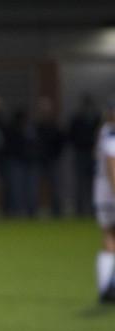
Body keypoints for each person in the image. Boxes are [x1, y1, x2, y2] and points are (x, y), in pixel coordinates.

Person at [93, 97, 115, 304]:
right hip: (111, 192)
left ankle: (105, 286)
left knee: (109, 236)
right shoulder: (112, 134)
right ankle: (109, 286)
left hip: (101, 192)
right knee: (110, 235)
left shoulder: (104, 131)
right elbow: (111, 164)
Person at [69, 95, 102, 217]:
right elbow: (71, 135)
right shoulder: (77, 119)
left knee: (94, 183)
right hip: (80, 153)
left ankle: (95, 209)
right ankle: (80, 209)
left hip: (94, 154)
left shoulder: (98, 118)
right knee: (80, 183)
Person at [34, 97, 65, 218]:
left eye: (47, 109)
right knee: (36, 186)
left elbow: (61, 141)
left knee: (56, 186)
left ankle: (56, 210)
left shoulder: (55, 125)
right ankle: (35, 210)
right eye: (42, 109)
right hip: (39, 160)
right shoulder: (36, 126)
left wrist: (56, 154)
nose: (45, 111)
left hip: (53, 159)